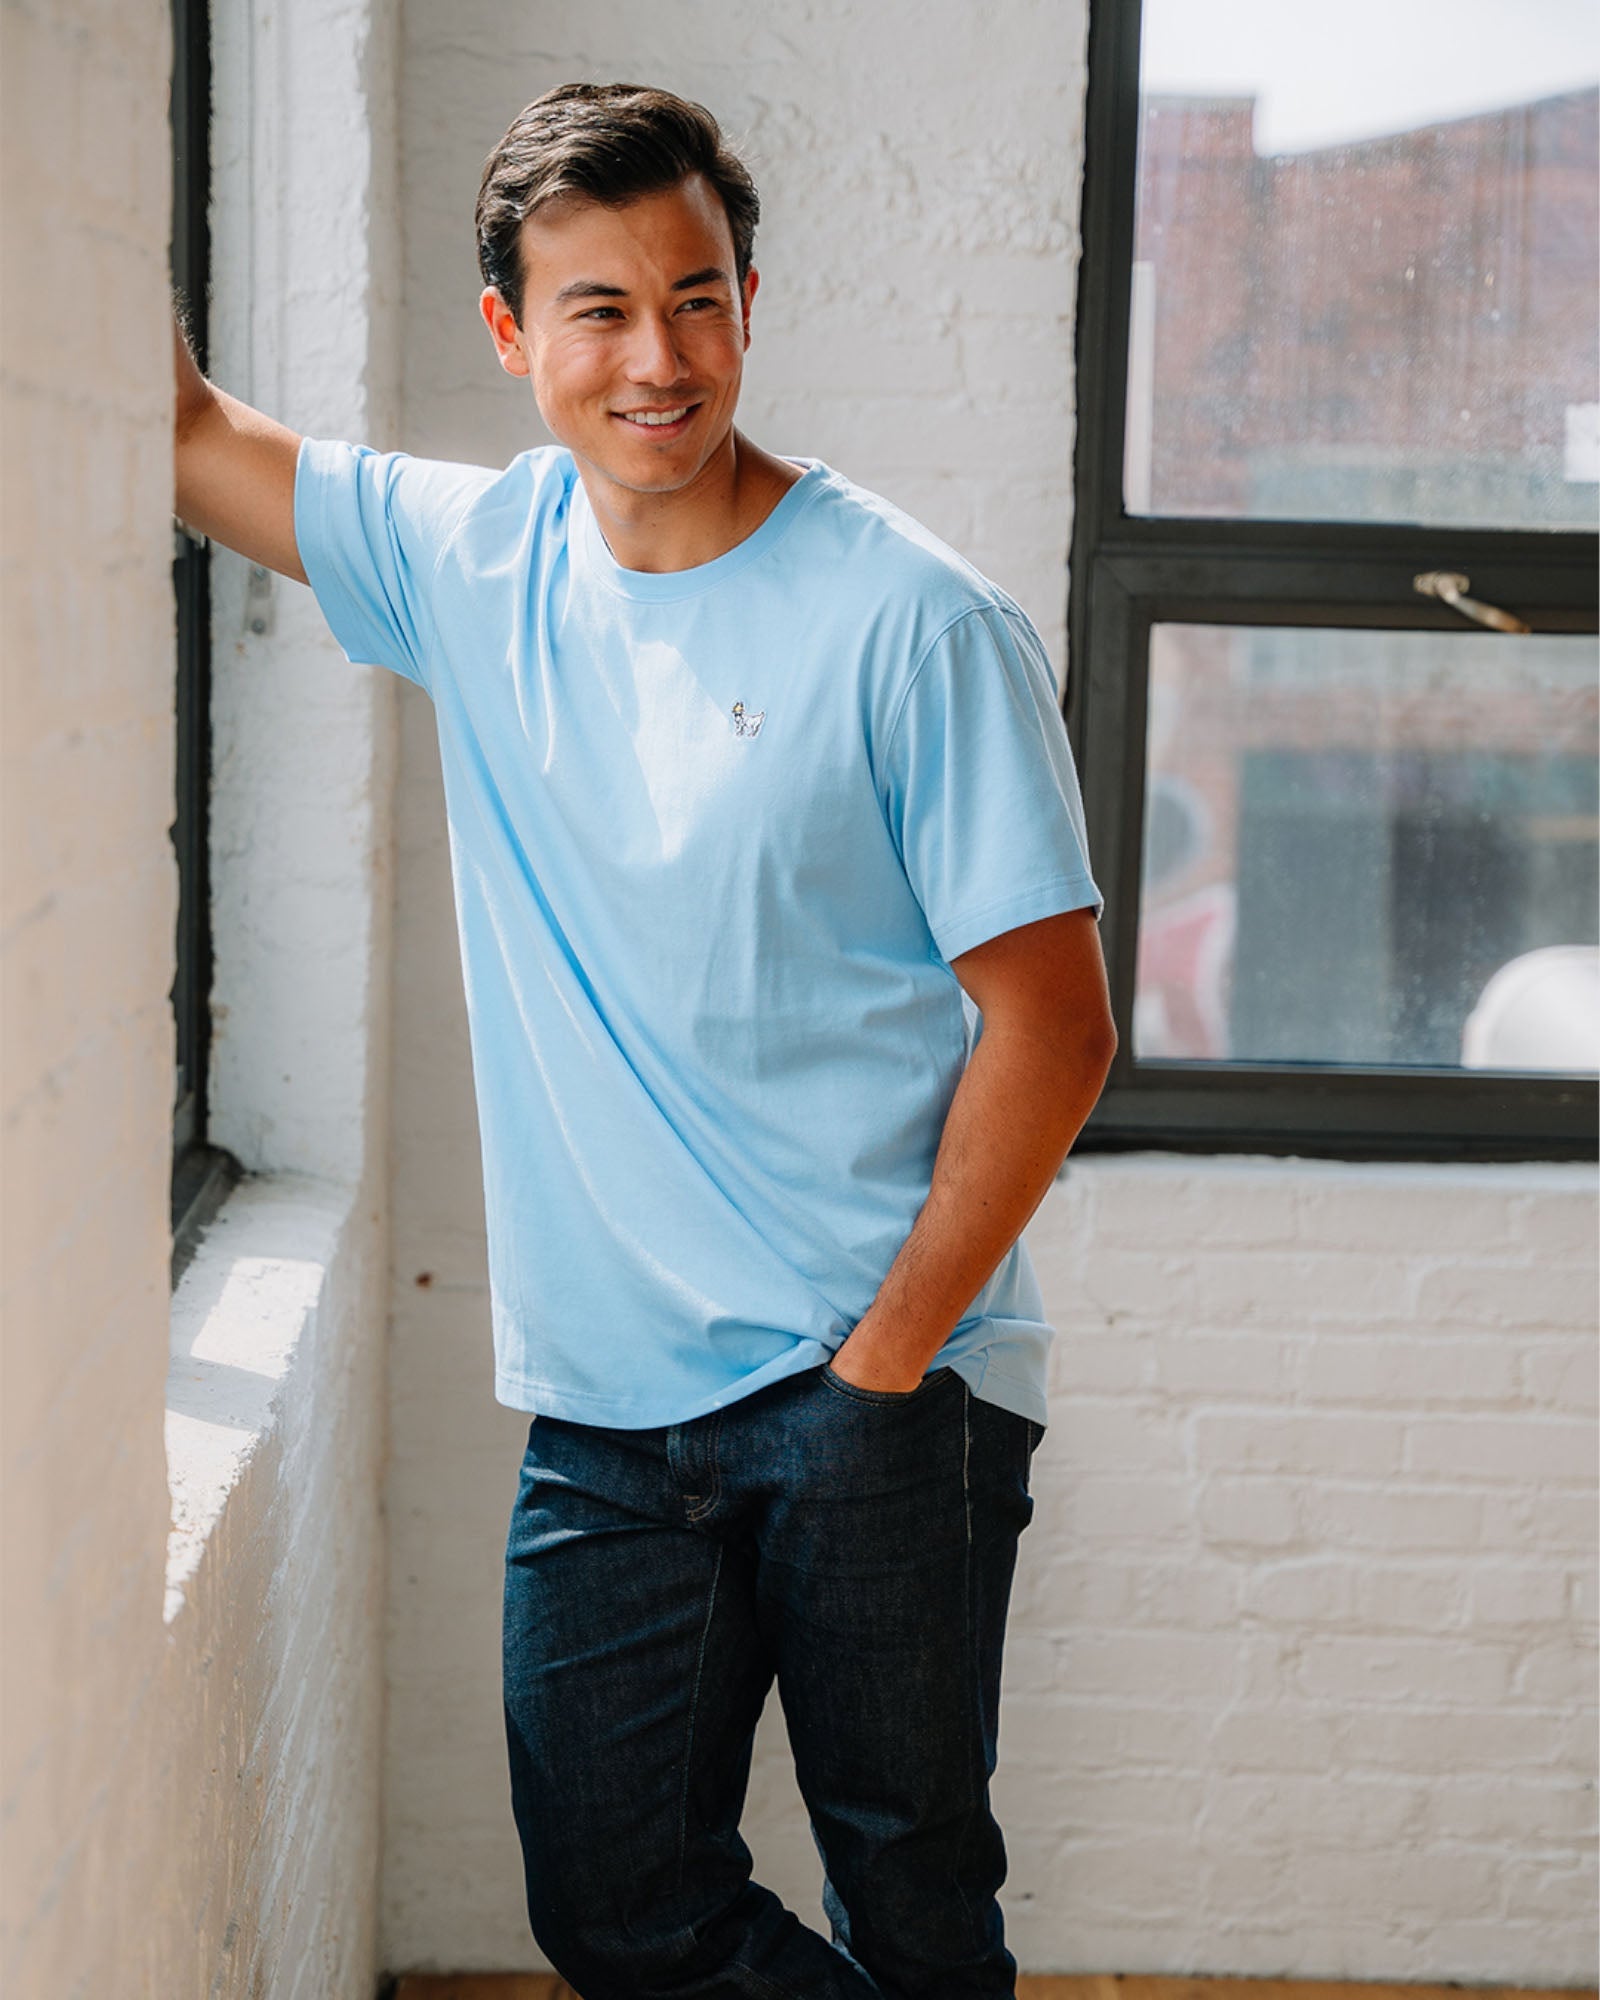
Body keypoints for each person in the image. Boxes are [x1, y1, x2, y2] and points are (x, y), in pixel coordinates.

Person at [173, 80, 1115, 2000]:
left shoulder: (915, 622)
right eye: (597, 308)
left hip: (882, 1383)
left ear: (749, 302)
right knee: (614, 1906)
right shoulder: (470, 564)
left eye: (697, 298)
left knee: (915, 1904)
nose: (657, 357)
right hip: (607, 1410)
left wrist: (889, 1359)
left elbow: (1057, 1025)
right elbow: (183, 433)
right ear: (516, 335)